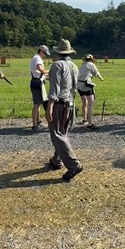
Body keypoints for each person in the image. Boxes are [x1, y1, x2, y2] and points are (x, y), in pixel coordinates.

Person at [45, 39, 83, 182]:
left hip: (60, 104)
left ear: (57, 52)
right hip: (70, 103)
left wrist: (49, 107)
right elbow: (74, 88)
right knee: (63, 132)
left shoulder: (57, 66)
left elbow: (54, 90)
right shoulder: (74, 66)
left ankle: (74, 165)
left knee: (57, 134)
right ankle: (56, 160)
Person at [77, 54, 104, 129]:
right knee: (91, 103)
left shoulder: (82, 65)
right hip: (86, 85)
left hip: (79, 85)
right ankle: (90, 123)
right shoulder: (91, 64)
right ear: (91, 59)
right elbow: (96, 73)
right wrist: (101, 78)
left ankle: (84, 119)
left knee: (84, 102)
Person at [30, 45, 50, 131]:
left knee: (38, 104)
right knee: (36, 104)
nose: (45, 56)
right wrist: (46, 71)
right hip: (37, 83)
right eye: (45, 54)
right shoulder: (37, 58)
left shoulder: (35, 57)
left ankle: (38, 121)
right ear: (41, 51)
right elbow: (39, 67)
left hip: (36, 82)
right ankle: (35, 124)